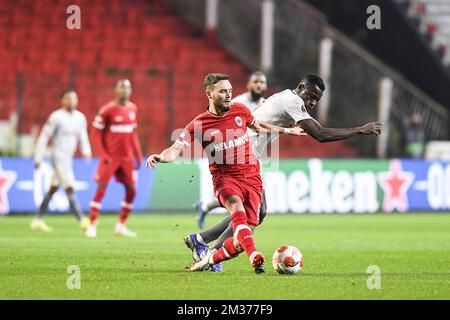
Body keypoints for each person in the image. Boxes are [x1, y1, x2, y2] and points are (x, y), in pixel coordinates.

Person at [185, 74, 383, 272]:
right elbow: (320, 135)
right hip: (243, 156)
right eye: (311, 96)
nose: (312, 102)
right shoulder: (292, 101)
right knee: (254, 213)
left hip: (248, 154)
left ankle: (201, 240)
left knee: (254, 213)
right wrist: (360, 130)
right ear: (301, 87)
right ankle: (211, 253)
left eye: (317, 99)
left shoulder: (288, 98)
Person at [145, 73, 305, 273]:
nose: (229, 95)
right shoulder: (199, 123)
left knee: (241, 238)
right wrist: (162, 156)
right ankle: (254, 254)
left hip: (252, 177)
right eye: (223, 91)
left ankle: (210, 258)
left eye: (230, 91)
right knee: (236, 207)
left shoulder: (240, 110)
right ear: (209, 94)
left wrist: (288, 131)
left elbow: (258, 125)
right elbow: (176, 149)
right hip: (226, 179)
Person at [195, 71, 268, 229]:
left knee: (255, 210)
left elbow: (260, 126)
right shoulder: (236, 102)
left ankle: (205, 208)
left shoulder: (265, 103)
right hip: (236, 159)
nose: (259, 85)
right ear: (248, 85)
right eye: (256, 81)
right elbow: (225, 121)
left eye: (262, 82)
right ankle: (209, 242)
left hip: (253, 160)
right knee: (251, 210)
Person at [85, 79, 143, 238]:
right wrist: (103, 155)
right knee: (101, 188)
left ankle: (120, 226)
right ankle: (91, 224)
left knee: (132, 191)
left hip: (126, 159)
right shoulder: (107, 110)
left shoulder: (133, 109)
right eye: (122, 87)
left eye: (128, 88)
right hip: (110, 158)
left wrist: (138, 155)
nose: (125, 90)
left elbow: (133, 134)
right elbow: (95, 134)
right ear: (115, 90)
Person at [31, 89, 92, 232]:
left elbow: (82, 136)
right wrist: (38, 156)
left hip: (68, 158)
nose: (71, 101)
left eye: (73, 98)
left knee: (53, 188)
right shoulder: (56, 117)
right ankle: (82, 220)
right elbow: (44, 137)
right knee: (69, 187)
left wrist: (86, 151)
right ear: (61, 101)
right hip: (58, 157)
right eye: (67, 98)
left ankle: (37, 220)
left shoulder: (80, 118)